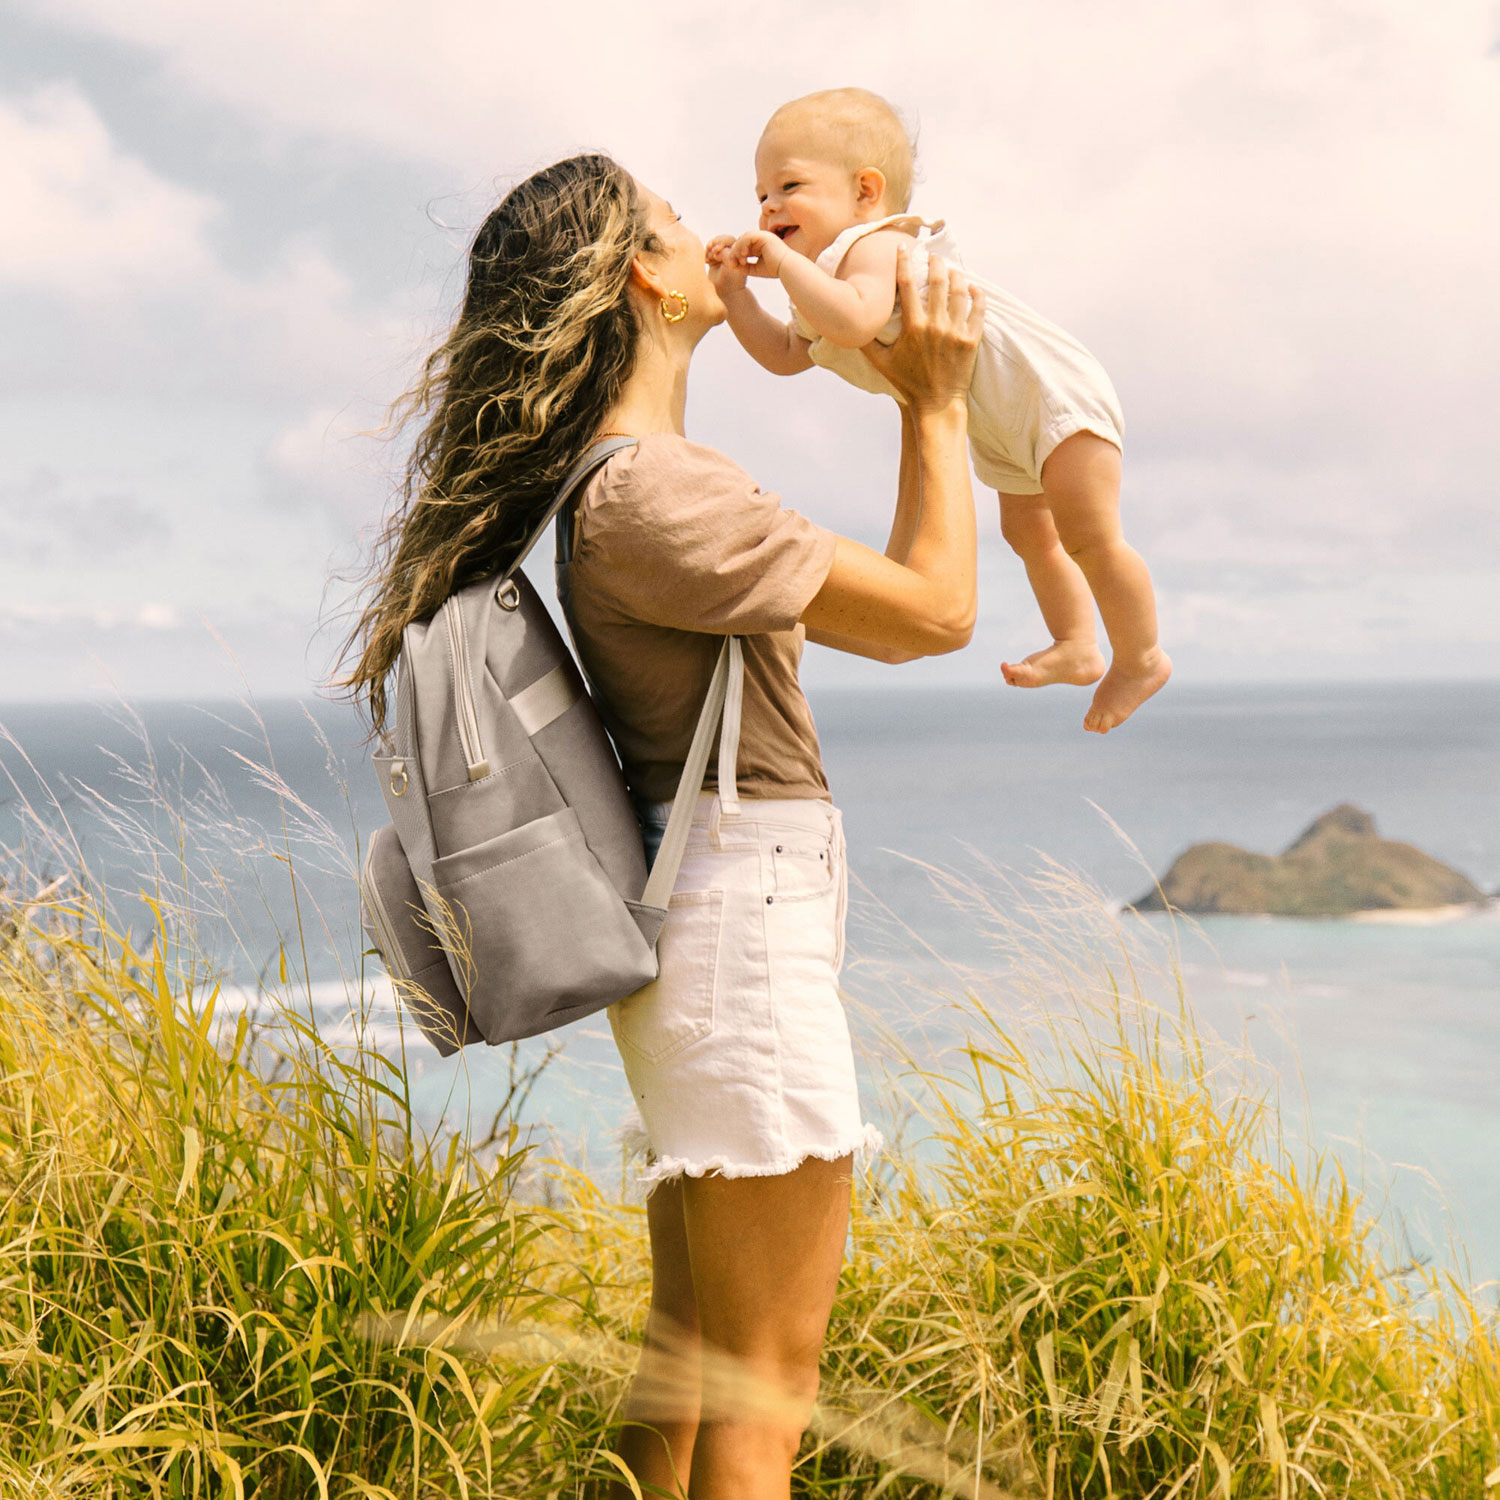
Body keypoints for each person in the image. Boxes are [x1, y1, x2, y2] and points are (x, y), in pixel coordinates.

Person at [341, 154, 984, 1500]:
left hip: (710, 921)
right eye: (682, 226)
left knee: (694, 1362)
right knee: (767, 1387)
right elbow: (937, 611)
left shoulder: (629, 485)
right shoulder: (657, 494)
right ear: (642, 273)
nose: (716, 238)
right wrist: (935, 402)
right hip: (741, 929)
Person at [707, 86, 1171, 734]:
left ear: (866, 192)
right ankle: (1078, 643)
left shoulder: (871, 247)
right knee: (1027, 534)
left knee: (1090, 536)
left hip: (1050, 393)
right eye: (760, 194)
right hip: (998, 421)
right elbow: (787, 354)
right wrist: (736, 300)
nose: (769, 206)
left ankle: (1142, 655)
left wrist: (783, 263)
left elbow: (855, 321)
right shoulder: (820, 279)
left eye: (789, 186)